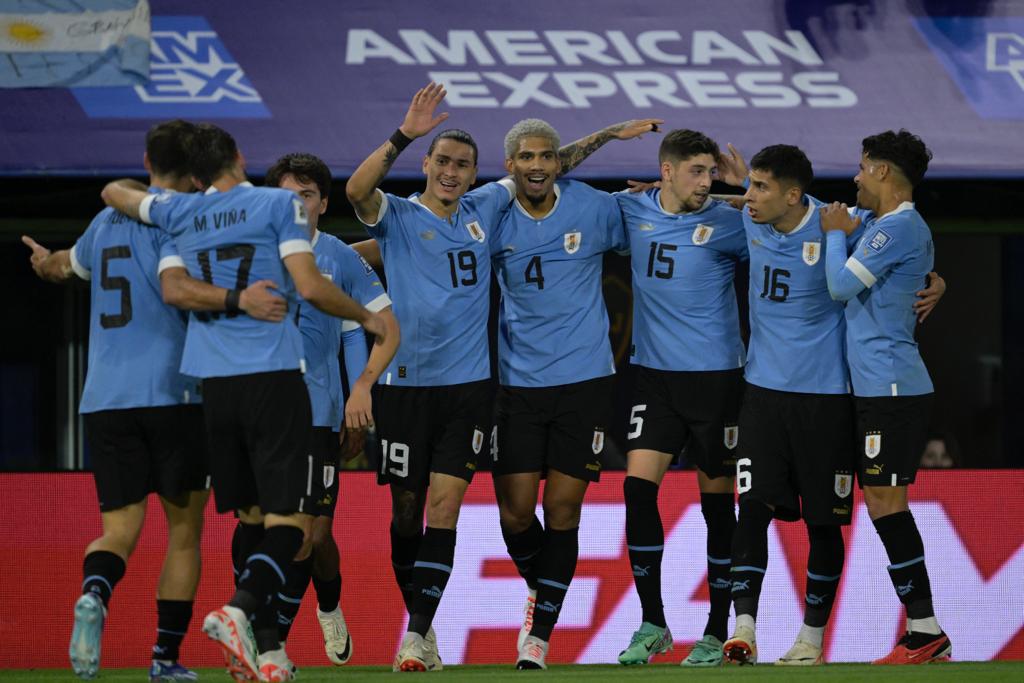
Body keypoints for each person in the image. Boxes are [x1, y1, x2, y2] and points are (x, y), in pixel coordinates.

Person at [346, 84, 657, 672]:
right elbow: (358, 191)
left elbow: (546, 166)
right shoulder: (405, 213)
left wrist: (609, 135)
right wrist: (403, 134)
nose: (452, 172)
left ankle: (511, 633)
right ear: (428, 165)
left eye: (463, 164)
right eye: (443, 162)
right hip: (425, 386)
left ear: (478, 174)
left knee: (474, 506)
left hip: (489, 388)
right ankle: (441, 619)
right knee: (430, 512)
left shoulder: (487, 207)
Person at [100, 123, 394, 682]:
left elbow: (117, 196)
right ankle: (244, 615)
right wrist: (364, 317)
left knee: (260, 518)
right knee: (287, 526)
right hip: (275, 383)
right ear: (239, 157)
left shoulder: (182, 213)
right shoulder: (273, 207)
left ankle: (272, 645)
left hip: (214, 388)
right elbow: (308, 287)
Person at [22, 119, 286, 682]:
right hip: (177, 393)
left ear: (146, 158)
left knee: (118, 529)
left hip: (105, 398)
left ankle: (96, 592)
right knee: (184, 535)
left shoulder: (104, 221)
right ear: (197, 170)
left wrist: (42, 260)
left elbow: (61, 267)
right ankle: (164, 660)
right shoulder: (189, 221)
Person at [489, 116, 659, 670]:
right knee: (516, 516)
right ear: (509, 164)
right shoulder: (489, 210)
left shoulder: (592, 206)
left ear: (558, 162)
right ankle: (546, 586)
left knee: (562, 512)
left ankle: (538, 637)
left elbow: (669, 212)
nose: (537, 165)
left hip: (585, 383)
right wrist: (608, 134)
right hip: (516, 385)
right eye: (527, 157)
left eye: (547, 156)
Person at [259, 152, 396, 679]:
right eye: (288, 195)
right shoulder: (251, 250)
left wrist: (359, 401)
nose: (299, 205)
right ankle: (273, 642)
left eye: (308, 195)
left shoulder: (338, 256)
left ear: (322, 203)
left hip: (319, 412)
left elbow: (361, 327)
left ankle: (320, 612)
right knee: (275, 531)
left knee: (310, 538)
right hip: (261, 413)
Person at [613, 129, 746, 667]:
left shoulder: (729, 219)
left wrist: (742, 191)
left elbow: (802, 223)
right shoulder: (629, 211)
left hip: (717, 382)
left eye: (711, 172)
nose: (705, 182)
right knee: (637, 493)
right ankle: (654, 623)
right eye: (696, 171)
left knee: (718, 507)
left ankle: (716, 629)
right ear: (666, 171)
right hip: (654, 379)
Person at [820, 129, 951, 664]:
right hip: (876, 387)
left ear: (881, 172)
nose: (854, 177)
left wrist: (833, 236)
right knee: (879, 503)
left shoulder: (897, 227)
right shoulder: (883, 223)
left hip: (892, 389)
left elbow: (838, 287)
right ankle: (924, 628)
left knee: (886, 503)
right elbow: (814, 207)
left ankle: (925, 630)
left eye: (861, 166)